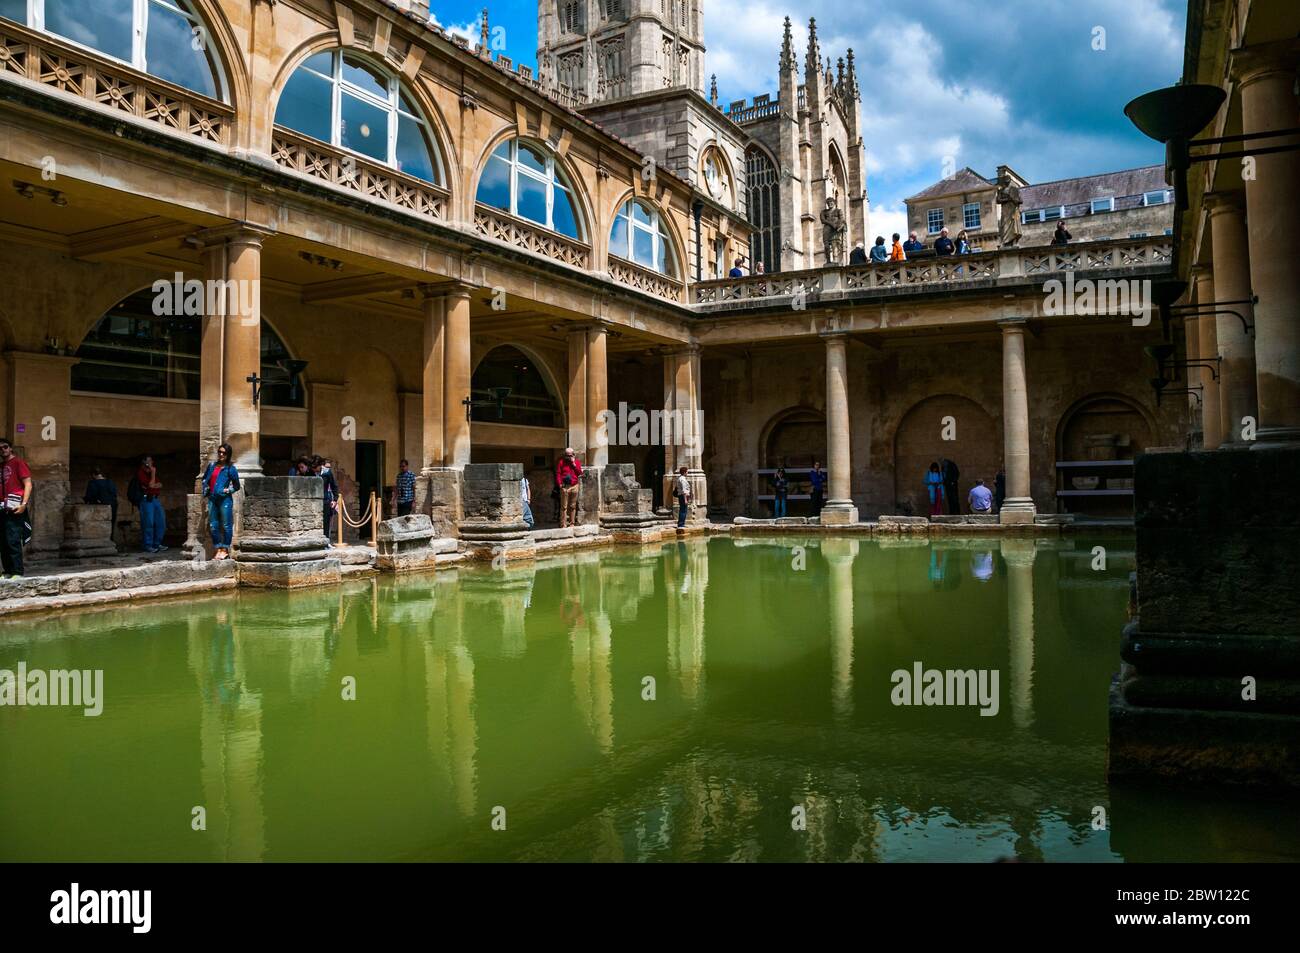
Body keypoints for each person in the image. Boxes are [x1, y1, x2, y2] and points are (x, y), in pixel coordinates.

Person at [201, 443, 241, 560]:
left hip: (225, 500)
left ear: (228, 455)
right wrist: (206, 489)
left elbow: (237, 486)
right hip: (213, 498)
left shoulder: (231, 469)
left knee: (226, 524)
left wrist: (228, 490)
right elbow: (205, 479)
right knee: (213, 525)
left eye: (224, 453)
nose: (221, 454)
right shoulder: (212, 466)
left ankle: (225, 549)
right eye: (219, 452)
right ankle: (218, 549)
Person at [0, 438, 33, 578]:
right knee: (3, 541)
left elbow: (28, 484)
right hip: (2, 507)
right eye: (0, 448)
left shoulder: (19, 462)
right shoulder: (1, 466)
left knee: (13, 539)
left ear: (11, 448)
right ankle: (7, 571)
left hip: (15, 506)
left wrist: (24, 504)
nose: (3, 450)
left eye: (5, 447)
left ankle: (17, 572)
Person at [134, 455, 167, 553]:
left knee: (161, 522)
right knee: (149, 523)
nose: (152, 462)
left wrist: (153, 485)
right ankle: (148, 545)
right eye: (150, 460)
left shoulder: (151, 473)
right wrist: (153, 474)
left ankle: (157, 543)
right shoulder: (141, 473)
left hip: (155, 499)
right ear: (145, 462)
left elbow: (160, 484)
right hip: (146, 500)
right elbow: (151, 485)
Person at [83, 465, 118, 543]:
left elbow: (90, 496)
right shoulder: (110, 482)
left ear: (93, 475)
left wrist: (85, 500)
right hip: (113, 505)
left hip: (99, 508)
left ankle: (101, 542)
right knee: (111, 525)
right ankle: (110, 541)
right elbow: (114, 494)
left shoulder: (93, 483)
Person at [556, 447, 583, 528]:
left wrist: (574, 464)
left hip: (574, 486)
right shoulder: (561, 462)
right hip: (565, 486)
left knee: (573, 506)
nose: (569, 457)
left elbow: (579, 473)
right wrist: (560, 484)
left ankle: (572, 523)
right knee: (564, 507)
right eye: (567, 455)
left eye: (570, 455)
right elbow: (558, 473)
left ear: (573, 455)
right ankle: (563, 524)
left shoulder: (577, 462)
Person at [315, 456, 339, 545]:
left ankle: (326, 542)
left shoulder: (327, 473)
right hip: (315, 501)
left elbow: (334, 486)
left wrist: (335, 499)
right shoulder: (311, 472)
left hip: (326, 499)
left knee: (326, 522)